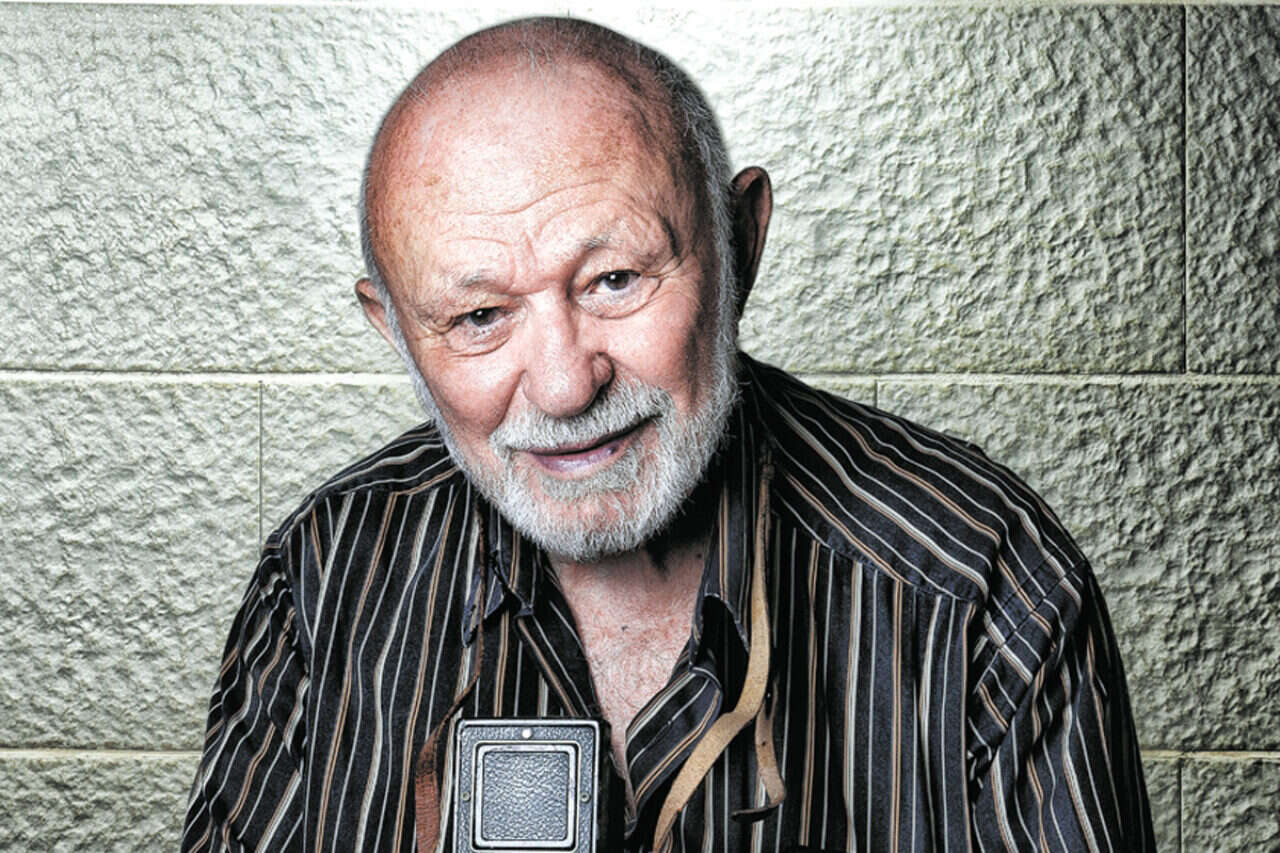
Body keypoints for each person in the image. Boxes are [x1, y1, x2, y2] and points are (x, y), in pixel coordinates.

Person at [183, 16, 1153, 853]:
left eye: (615, 280)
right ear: (395, 328)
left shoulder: (981, 580)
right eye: (478, 317)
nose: (565, 386)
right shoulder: (323, 572)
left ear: (740, 244)